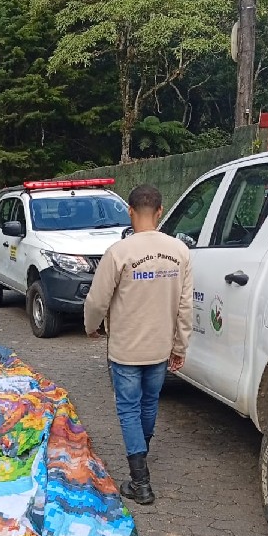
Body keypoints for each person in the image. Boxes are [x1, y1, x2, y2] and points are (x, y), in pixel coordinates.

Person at [84, 184, 193, 506]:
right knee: (149, 403)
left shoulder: (119, 252)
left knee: (129, 407)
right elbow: (186, 306)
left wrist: (91, 327)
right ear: (160, 212)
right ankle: (140, 457)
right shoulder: (180, 252)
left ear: (130, 212)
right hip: (160, 346)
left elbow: (97, 299)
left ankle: (140, 480)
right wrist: (180, 346)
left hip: (126, 347)